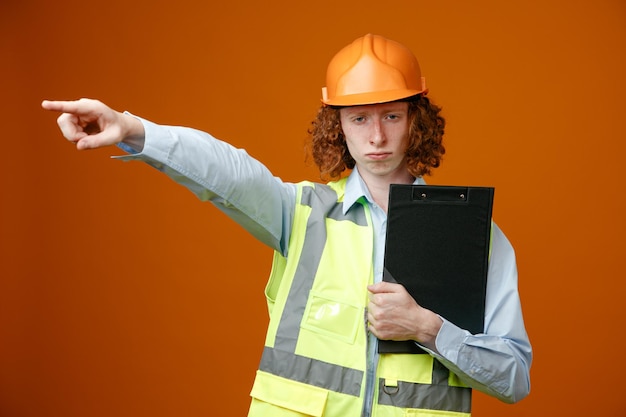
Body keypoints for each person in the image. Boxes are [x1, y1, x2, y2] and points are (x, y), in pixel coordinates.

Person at [42, 34, 532, 417]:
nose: (377, 135)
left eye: (392, 115)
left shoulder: (476, 236)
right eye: (359, 118)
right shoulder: (300, 213)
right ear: (337, 125)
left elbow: (513, 378)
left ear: (416, 119)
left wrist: (428, 328)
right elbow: (227, 171)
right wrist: (134, 130)